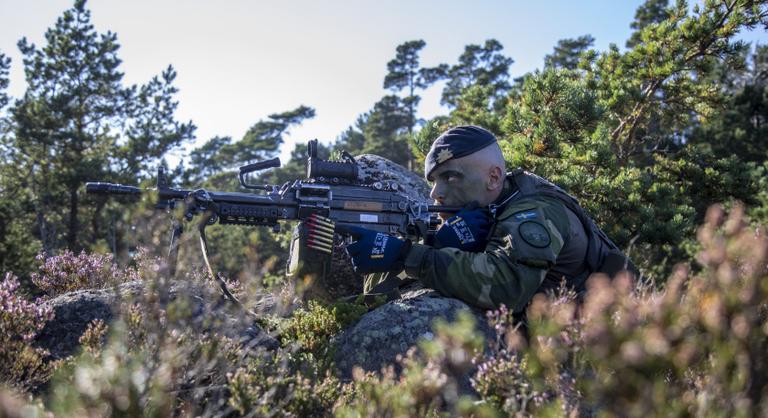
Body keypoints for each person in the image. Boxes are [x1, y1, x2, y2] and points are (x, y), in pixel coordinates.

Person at [340, 125, 636, 312]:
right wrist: (435, 244)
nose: (435, 194)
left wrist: (409, 255)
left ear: (494, 177)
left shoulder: (536, 212)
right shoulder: (476, 212)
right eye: (433, 181)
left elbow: (504, 288)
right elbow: (387, 294)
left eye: (451, 177)